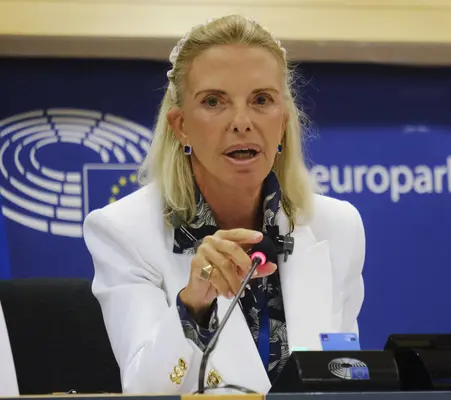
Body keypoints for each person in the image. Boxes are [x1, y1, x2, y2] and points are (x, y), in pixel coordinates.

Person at [83, 14, 366, 394]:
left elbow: (343, 377)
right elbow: (145, 388)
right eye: (214, 101)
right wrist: (193, 304)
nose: (241, 121)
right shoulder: (124, 230)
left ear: (282, 121)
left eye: (261, 100)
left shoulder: (338, 226)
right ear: (180, 125)